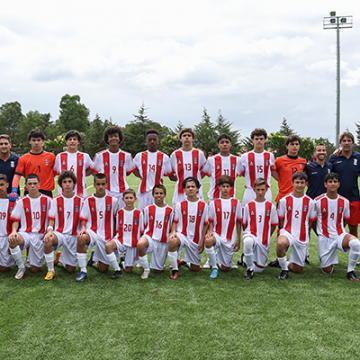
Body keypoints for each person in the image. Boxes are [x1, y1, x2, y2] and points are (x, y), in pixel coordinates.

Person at [314, 172, 360, 281]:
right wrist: (320, 234)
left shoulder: (345, 201)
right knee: (327, 271)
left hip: (339, 235)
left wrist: (339, 231)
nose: (333, 184)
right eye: (330, 182)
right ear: (325, 184)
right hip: (324, 237)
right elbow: (312, 221)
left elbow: (345, 219)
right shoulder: (317, 201)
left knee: (356, 243)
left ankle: (350, 271)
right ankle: (328, 258)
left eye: (335, 181)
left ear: (339, 184)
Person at [273, 172, 316, 280]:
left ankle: (284, 262)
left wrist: (307, 235)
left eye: (302, 182)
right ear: (292, 183)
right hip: (288, 232)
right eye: (297, 182)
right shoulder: (284, 200)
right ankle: (284, 269)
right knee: (280, 244)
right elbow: (281, 220)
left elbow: (310, 222)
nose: (299, 185)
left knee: (298, 270)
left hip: (302, 235)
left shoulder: (310, 202)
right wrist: (284, 232)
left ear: (306, 184)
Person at [75, 173, 118, 281]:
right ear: (94, 185)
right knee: (80, 238)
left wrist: (114, 236)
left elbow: (115, 219)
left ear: (107, 185)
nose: (100, 187)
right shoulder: (88, 200)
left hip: (106, 236)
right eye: (98, 184)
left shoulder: (113, 200)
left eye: (103, 184)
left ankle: (94, 257)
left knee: (103, 270)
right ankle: (83, 270)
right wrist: (83, 229)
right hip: (92, 232)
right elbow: (83, 218)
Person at [8, 174, 52, 279]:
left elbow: (52, 219)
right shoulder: (20, 201)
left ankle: (43, 259)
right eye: (30, 184)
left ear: (39, 185)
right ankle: (21, 267)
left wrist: (49, 231)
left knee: (35, 270)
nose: (32, 186)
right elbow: (15, 220)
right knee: (13, 239)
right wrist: (14, 231)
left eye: (35, 183)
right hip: (25, 233)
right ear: (25, 186)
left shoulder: (48, 200)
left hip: (41, 235)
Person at [43, 171, 84, 280]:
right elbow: (51, 218)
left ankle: (61, 257)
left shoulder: (81, 201)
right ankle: (51, 270)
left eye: (69, 181)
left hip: (73, 235)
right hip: (59, 234)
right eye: (64, 182)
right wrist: (50, 231)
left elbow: (84, 220)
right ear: (61, 184)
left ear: (74, 183)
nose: (67, 184)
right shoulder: (55, 200)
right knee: (47, 239)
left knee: (71, 270)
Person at [167, 177, 209, 279]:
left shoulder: (204, 206)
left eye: (193, 186)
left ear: (197, 189)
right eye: (188, 187)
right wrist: (173, 233)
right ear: (184, 190)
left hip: (195, 239)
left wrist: (202, 241)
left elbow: (205, 225)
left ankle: (185, 261)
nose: (190, 189)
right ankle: (175, 269)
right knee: (172, 241)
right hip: (182, 235)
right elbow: (175, 222)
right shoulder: (179, 205)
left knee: (195, 269)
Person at [204, 175, 242, 279]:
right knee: (208, 240)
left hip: (230, 238)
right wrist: (210, 231)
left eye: (227, 186)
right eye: (223, 186)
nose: (225, 189)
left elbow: (239, 222)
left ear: (231, 188)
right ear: (219, 187)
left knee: (225, 269)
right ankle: (214, 268)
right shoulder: (213, 203)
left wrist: (238, 239)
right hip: (217, 235)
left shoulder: (237, 203)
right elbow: (210, 220)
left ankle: (216, 256)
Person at [90, 126, 137, 209]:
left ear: (119, 138)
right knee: (107, 217)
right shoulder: (99, 155)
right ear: (107, 139)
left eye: (116, 136)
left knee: (122, 216)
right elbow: (94, 171)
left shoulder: (127, 156)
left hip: (123, 191)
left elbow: (129, 171)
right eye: (111, 136)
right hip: (107, 191)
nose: (113, 138)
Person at [241, 178, 279, 279]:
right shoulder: (248, 206)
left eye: (263, 189)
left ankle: (245, 259)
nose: (260, 192)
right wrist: (248, 235)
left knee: (259, 270)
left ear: (267, 189)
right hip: (251, 235)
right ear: (254, 189)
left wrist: (266, 235)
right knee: (248, 241)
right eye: (258, 189)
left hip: (264, 241)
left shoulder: (271, 207)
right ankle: (249, 269)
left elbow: (273, 225)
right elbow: (244, 224)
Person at [105, 189, 144, 279]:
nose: (129, 200)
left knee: (128, 270)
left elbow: (141, 231)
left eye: (131, 198)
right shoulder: (119, 212)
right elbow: (118, 228)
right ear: (123, 200)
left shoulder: (139, 213)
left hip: (132, 242)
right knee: (108, 246)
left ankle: (123, 261)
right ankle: (117, 270)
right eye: (126, 198)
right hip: (121, 239)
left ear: (135, 199)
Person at [137, 185, 173, 279]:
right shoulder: (147, 209)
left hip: (162, 240)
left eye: (161, 193)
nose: (159, 195)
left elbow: (171, 227)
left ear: (165, 195)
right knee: (140, 244)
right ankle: (146, 270)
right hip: (149, 237)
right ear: (153, 195)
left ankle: (159, 262)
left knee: (158, 271)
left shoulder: (170, 210)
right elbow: (144, 225)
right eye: (156, 193)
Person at [133, 129, 175, 211]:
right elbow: (133, 169)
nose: (152, 142)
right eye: (150, 140)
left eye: (154, 140)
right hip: (144, 192)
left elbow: (169, 174)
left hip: (158, 192)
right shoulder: (139, 156)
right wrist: (142, 176)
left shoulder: (164, 157)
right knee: (143, 215)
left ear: (158, 141)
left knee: (158, 214)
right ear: (146, 142)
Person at [329, 131, 360, 238]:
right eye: (344, 141)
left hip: (354, 198)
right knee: (337, 228)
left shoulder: (358, 157)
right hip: (338, 199)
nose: (346, 143)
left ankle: (354, 252)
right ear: (340, 143)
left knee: (353, 228)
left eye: (349, 141)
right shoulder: (334, 158)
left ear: (353, 143)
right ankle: (333, 251)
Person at [10, 128, 55, 199]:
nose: (36, 142)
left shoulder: (51, 157)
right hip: (29, 192)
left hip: (46, 192)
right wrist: (14, 190)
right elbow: (17, 175)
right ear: (29, 141)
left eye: (38, 140)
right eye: (34, 140)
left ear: (43, 141)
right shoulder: (23, 158)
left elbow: (55, 173)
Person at [169, 128, 207, 208]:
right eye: (184, 136)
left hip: (196, 192)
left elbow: (204, 170)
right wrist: (180, 179)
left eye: (189, 136)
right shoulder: (175, 155)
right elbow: (170, 173)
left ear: (193, 138)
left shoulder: (199, 154)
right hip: (180, 193)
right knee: (180, 217)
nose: (187, 137)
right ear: (180, 138)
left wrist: (197, 179)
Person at [238, 128, 276, 206]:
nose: (259, 141)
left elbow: (273, 171)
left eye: (261, 139)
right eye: (256, 139)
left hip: (266, 191)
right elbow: (240, 172)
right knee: (248, 215)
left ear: (265, 140)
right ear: (253, 140)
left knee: (266, 215)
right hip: (250, 190)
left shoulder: (270, 156)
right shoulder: (245, 156)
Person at [201, 133, 241, 203]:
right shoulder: (211, 160)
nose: (224, 144)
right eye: (222, 142)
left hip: (231, 198)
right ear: (218, 145)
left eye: (227, 142)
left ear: (230, 144)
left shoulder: (237, 160)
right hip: (214, 198)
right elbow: (202, 175)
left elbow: (242, 173)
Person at [53, 130, 93, 198]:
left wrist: (81, 173)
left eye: (74, 139)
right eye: (70, 139)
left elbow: (91, 169)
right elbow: (55, 172)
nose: (72, 141)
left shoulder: (85, 156)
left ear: (78, 142)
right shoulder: (59, 156)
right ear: (66, 142)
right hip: (63, 195)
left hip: (81, 194)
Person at [272, 135, 307, 205]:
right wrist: (281, 179)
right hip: (283, 197)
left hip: (298, 197)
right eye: (292, 144)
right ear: (287, 146)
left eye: (297, 144)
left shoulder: (303, 162)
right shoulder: (279, 160)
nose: (294, 146)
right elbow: (273, 172)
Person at [0, 174, 16, 272]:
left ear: (7, 185)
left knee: (5, 269)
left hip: (6, 237)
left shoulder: (13, 202)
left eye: (2, 184)